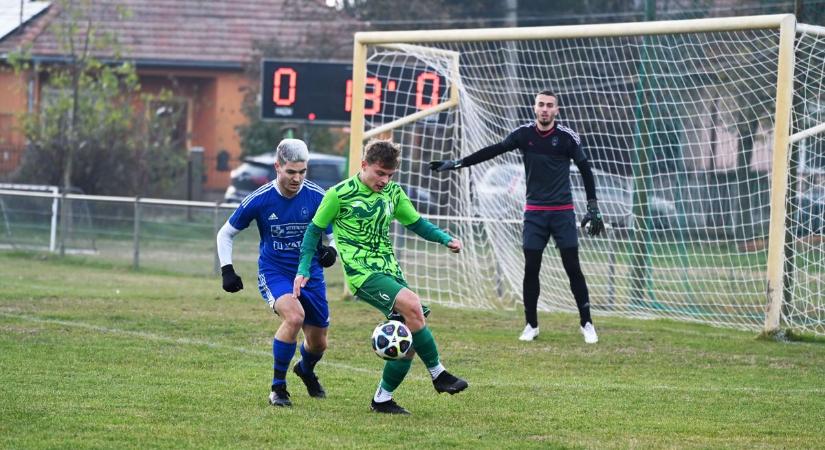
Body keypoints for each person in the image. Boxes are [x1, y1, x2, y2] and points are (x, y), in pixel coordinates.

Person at [293, 139, 468, 415]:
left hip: (390, 270)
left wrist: (444, 239)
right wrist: (304, 268)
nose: (385, 180)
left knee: (408, 336)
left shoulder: (394, 194)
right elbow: (313, 231)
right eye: (380, 173)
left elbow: (417, 224)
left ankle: (382, 400)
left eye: (390, 175)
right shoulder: (339, 194)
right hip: (363, 274)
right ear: (364, 165)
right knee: (412, 305)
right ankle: (438, 374)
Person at [430, 90, 604, 344]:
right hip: (534, 213)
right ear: (535, 108)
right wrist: (457, 163)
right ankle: (531, 325)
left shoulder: (567, 138)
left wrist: (593, 206)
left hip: (562, 213)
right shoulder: (524, 135)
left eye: (549, 106)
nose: (545, 109)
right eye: (541, 105)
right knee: (531, 267)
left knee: (572, 268)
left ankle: (587, 323)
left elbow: (586, 169)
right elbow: (492, 151)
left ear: (556, 110)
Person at [216, 138, 339, 407]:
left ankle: (305, 370)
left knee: (318, 344)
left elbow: (333, 235)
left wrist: (332, 251)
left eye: (302, 171)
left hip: (310, 274)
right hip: (276, 272)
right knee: (294, 317)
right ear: (277, 167)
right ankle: (278, 388)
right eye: (291, 172)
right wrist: (227, 269)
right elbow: (225, 233)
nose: (297, 178)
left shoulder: (318, 196)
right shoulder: (260, 200)